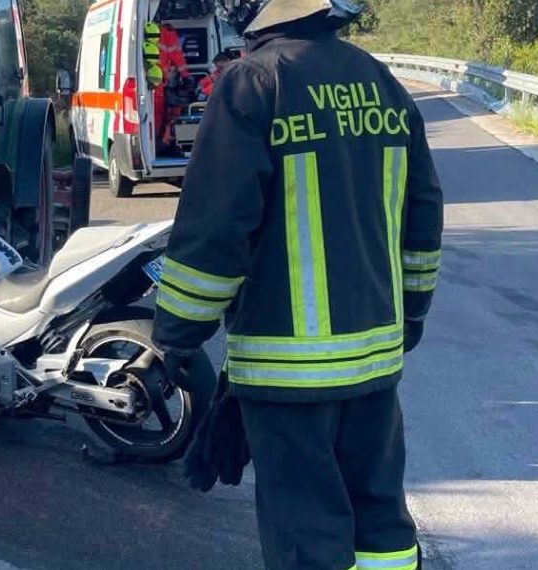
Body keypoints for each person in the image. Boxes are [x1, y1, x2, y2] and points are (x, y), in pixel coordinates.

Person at [153, 1, 444, 569]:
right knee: (380, 522)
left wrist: (177, 335)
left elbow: (216, 229)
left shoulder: (252, 83)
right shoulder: (381, 81)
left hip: (286, 374)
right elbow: (423, 210)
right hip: (374, 367)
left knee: (307, 534)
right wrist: (411, 313)